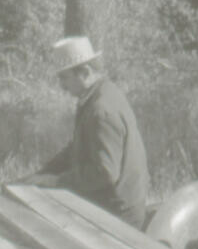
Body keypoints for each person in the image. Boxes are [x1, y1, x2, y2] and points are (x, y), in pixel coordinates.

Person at [21, 35, 151, 229]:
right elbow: (79, 146)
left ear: (85, 72)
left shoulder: (101, 110)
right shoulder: (98, 95)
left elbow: (104, 173)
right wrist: (43, 173)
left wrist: (55, 181)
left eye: (64, 78)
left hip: (119, 215)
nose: (61, 86)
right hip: (110, 205)